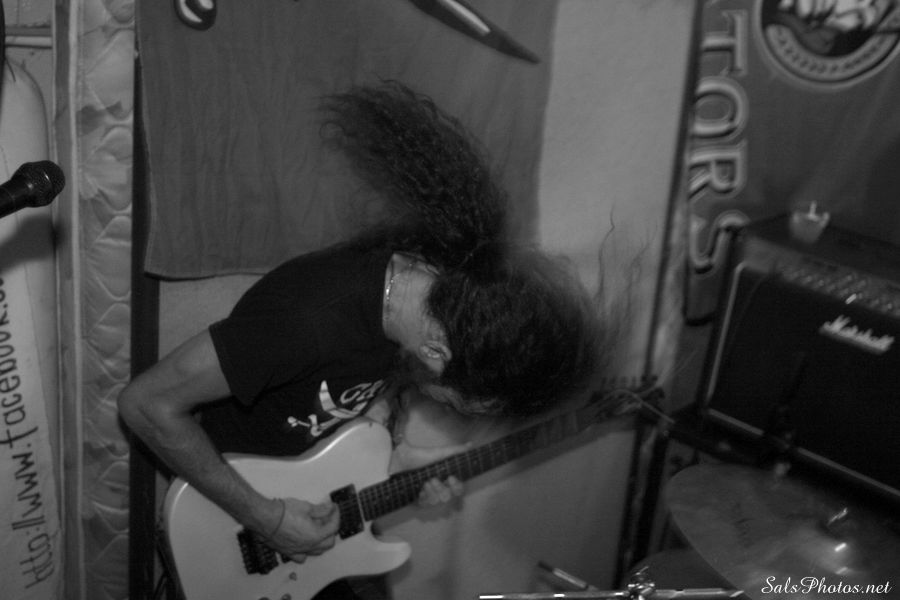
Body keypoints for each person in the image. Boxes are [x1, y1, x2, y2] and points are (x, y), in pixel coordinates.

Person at [118, 81, 602, 599]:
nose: (448, 408)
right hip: (228, 527)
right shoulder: (308, 320)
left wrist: (401, 461)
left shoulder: (434, 302)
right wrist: (266, 518)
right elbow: (146, 404)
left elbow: (347, 405)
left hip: (307, 516)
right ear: (436, 353)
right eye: (455, 401)